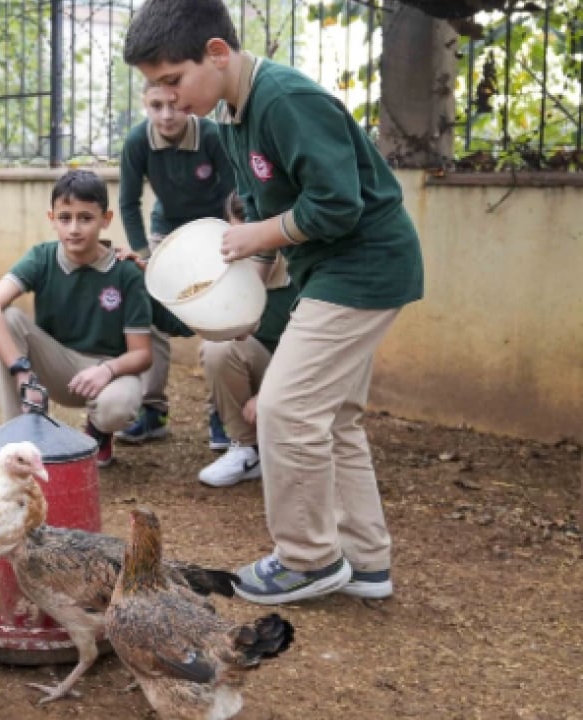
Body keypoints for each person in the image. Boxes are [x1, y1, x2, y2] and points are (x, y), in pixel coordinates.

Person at [123, 0, 424, 605]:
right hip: (330, 269)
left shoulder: (283, 99)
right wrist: (242, 276)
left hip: (363, 268)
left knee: (286, 409)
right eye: (156, 90)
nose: (171, 102)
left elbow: (338, 205)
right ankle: (366, 562)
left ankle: (307, 559)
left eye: (174, 82)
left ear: (216, 53)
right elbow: (263, 212)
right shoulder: (235, 117)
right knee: (333, 416)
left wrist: (257, 238)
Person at [0, 169, 153, 468]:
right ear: (52, 219)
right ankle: (20, 439)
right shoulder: (42, 257)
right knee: (6, 317)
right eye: (65, 218)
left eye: (85, 218)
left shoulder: (125, 271)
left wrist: (106, 370)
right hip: (56, 366)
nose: (74, 228)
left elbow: (142, 354)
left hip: (109, 371)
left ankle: (98, 430)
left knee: (116, 408)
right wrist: (22, 372)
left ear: (105, 220)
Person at [115, 79, 236, 446]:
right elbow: (127, 203)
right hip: (166, 231)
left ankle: (223, 414)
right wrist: (145, 254)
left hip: (215, 230)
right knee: (149, 313)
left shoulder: (212, 135)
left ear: (188, 102)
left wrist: (230, 242)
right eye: (156, 106)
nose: (166, 115)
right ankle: (153, 411)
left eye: (175, 104)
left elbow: (235, 191)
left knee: (221, 319)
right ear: (144, 104)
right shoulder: (138, 142)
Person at [196, 191, 298, 488]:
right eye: (235, 228)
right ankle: (247, 448)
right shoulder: (228, 264)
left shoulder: (302, 268)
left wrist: (268, 394)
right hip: (262, 366)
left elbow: (312, 348)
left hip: (302, 373)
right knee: (218, 347)